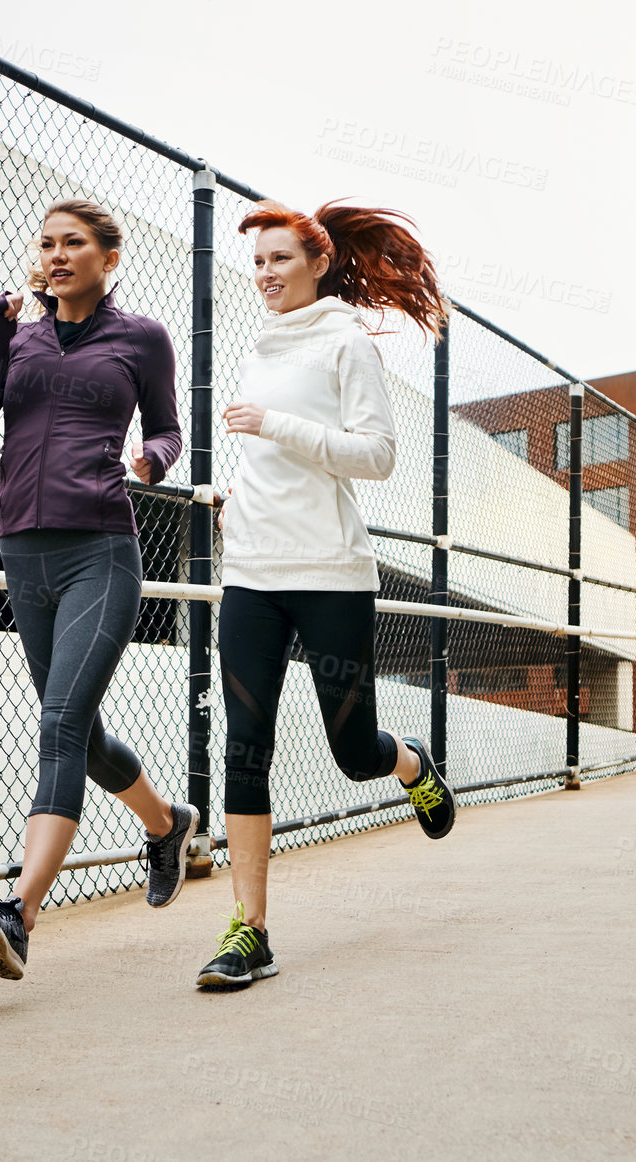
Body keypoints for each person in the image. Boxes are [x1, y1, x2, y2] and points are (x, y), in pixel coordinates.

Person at [195, 199, 455, 991]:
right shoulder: (258, 349)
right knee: (244, 746)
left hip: (330, 574)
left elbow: (375, 456)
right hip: (251, 574)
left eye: (278, 259)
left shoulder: (345, 343)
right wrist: (238, 493)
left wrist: (275, 427)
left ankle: (410, 763)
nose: (265, 274)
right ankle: (251, 930)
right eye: (257, 263)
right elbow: (268, 456)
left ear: (316, 263)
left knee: (352, 753)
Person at [0, 199, 196, 980]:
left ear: (106, 258)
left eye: (73, 243)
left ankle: (18, 912)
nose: (56, 255)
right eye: (46, 243)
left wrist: (150, 460)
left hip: (101, 551)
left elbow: (168, 427)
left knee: (58, 722)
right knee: (78, 738)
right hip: (22, 550)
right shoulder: (15, 337)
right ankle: (165, 822)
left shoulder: (141, 337)